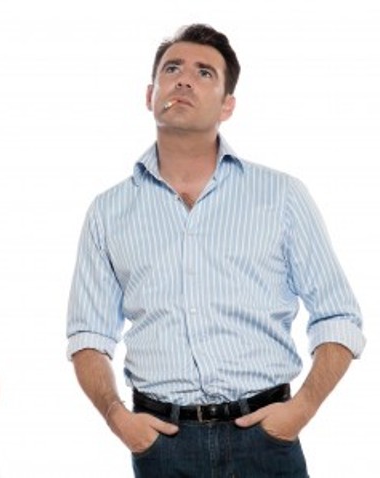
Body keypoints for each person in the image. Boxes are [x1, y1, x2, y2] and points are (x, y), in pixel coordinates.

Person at [66, 24, 365, 478]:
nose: (184, 80)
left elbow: (339, 316)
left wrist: (299, 411)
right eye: (172, 69)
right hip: (162, 446)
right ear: (149, 95)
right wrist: (118, 418)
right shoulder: (109, 211)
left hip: (265, 439)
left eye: (204, 72)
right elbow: (87, 335)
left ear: (228, 105)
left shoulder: (281, 196)